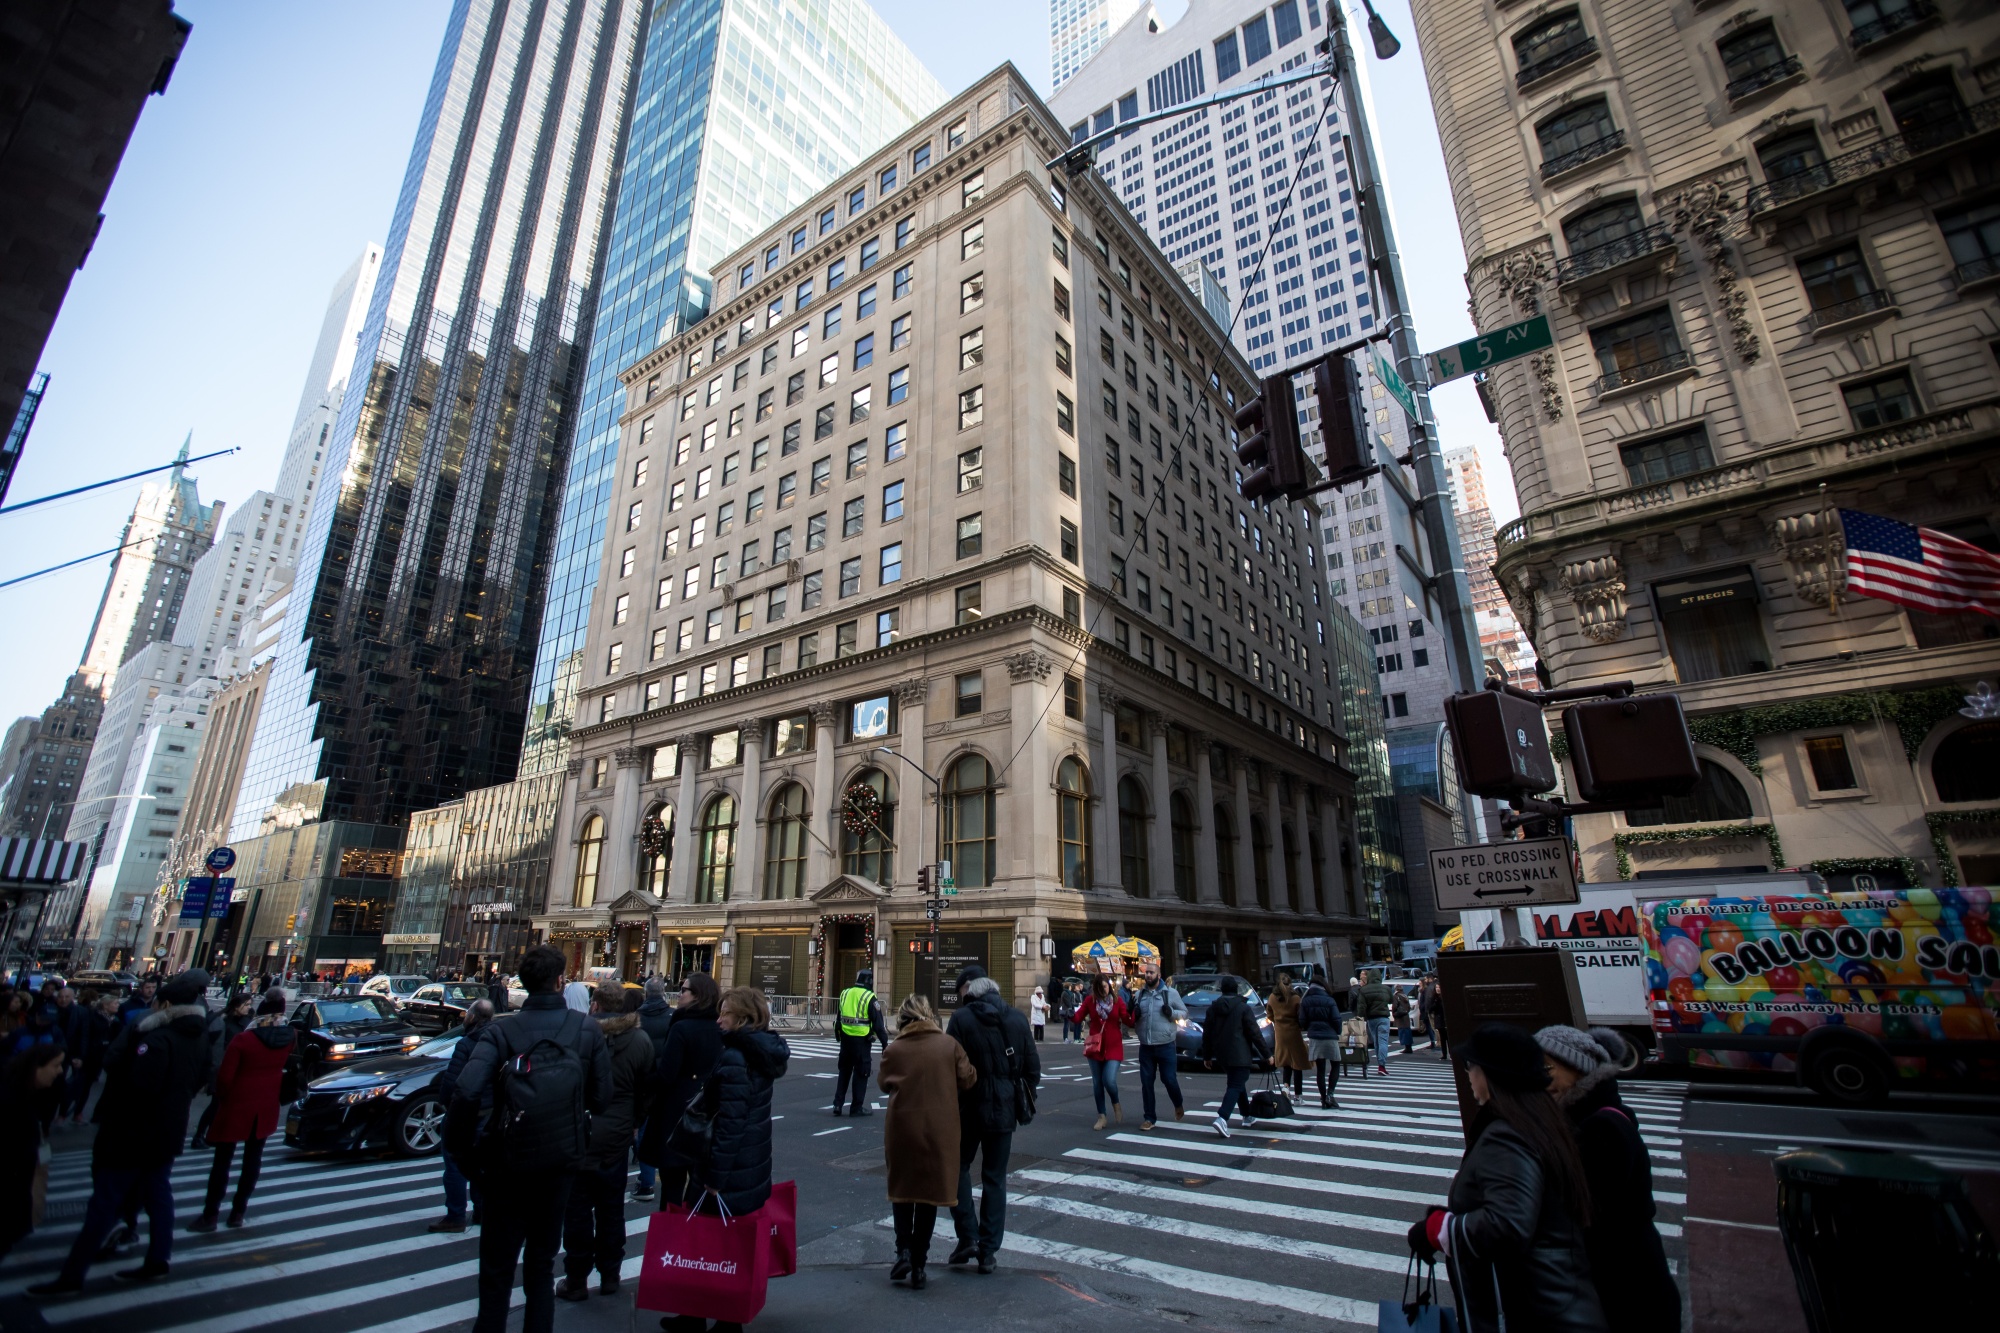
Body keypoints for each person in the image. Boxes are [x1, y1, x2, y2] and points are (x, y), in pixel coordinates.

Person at [451, 945, 611, 1333]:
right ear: (560, 981)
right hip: (559, 1162)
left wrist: (467, 1160)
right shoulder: (586, 1029)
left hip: (505, 1164)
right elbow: (602, 1099)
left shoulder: (500, 1030)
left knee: (496, 1268)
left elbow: (465, 1091)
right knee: (541, 1266)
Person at [1410, 1023, 1607, 1333]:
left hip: (1533, 1312)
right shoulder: (1539, 1122)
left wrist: (1439, 1229)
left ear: (1490, 1074)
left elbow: (1509, 1224)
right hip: (1556, 1304)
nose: (1467, 1074)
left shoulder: (1507, 1135)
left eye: (1470, 1066)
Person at [27, 969, 211, 1295]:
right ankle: (158, 1257)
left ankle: (71, 1276)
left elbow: (138, 1089)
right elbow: (202, 1078)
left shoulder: (156, 1039)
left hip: (133, 1132)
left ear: (165, 1003)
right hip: (169, 1129)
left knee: (105, 1203)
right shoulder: (198, 1038)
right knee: (158, 1195)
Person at [1536, 1026, 1679, 1333]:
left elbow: (1582, 1212)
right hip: (1622, 1275)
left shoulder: (1602, 1128)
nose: (1541, 1080)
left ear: (1578, 1068)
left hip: (1626, 1284)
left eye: (1548, 1068)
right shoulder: (1591, 1117)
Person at [664, 987, 788, 1333]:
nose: (718, 1019)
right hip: (752, 1160)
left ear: (743, 1018)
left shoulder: (737, 1057)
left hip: (729, 1166)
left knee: (706, 1241)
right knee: (731, 1243)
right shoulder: (761, 1052)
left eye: (725, 1014)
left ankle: (703, 1316)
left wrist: (715, 1177)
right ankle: (718, 1315)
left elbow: (730, 1123)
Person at [945, 966, 1039, 1274]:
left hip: (968, 1107)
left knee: (957, 1168)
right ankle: (988, 1251)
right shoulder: (1016, 1018)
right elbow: (1032, 1069)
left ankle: (968, 1234)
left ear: (970, 992)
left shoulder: (961, 1020)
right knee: (995, 1178)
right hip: (1004, 1109)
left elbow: (950, 1068)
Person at [877, 993, 974, 1290]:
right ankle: (919, 1263)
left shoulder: (895, 1048)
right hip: (939, 1129)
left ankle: (903, 1251)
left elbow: (884, 1083)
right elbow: (968, 1078)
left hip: (902, 1127)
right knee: (929, 1196)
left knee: (903, 1191)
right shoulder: (948, 1045)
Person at [559, 989, 650, 1303]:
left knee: (577, 1211)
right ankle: (610, 1274)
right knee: (612, 1210)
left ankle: (576, 1278)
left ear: (594, 1004)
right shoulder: (639, 1040)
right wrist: (636, 1121)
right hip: (618, 1133)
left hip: (580, 1131)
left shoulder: (576, 1036)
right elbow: (646, 1088)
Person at [191, 992, 296, 1231]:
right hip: (266, 1105)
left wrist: (221, 1095)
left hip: (237, 1103)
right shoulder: (289, 1037)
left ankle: (210, 1214)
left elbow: (225, 1078)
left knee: (222, 1161)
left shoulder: (243, 1040)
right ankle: (238, 1212)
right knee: (252, 1160)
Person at [637, 971, 721, 1211]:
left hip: (676, 1112)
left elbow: (666, 1074)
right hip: (707, 1112)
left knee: (672, 1184)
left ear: (697, 996)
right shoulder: (719, 1027)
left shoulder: (682, 1027)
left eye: (684, 990)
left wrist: (643, 1080)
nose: (679, 993)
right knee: (697, 1183)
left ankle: (672, 1239)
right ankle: (693, 1240)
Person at [429, 998, 494, 1233]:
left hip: (465, 1112)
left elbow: (452, 1080)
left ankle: (456, 1214)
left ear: (473, 1017)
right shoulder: (498, 1041)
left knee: (456, 1164)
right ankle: (481, 1210)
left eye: (468, 1013)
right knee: (481, 1164)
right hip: (488, 1110)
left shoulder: (466, 1044)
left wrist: (447, 1103)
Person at [0, 1045, 67, 1262]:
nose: (60, 1071)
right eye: (55, 1065)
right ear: (35, 1068)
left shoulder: (28, 1094)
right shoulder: (10, 1101)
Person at [1198, 976, 1266, 1138]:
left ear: (1222, 990)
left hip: (1222, 1054)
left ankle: (1247, 1115)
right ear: (1236, 989)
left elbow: (1207, 1035)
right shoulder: (1243, 1008)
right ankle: (1223, 1117)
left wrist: (1207, 1055)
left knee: (1237, 1082)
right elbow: (1255, 1033)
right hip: (1241, 1053)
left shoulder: (1212, 1009)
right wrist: (1267, 1054)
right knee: (1236, 1084)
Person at [631, 977, 675, 1202]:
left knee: (642, 1131)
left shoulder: (636, 1017)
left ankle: (646, 1181)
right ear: (664, 993)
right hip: (667, 1082)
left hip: (644, 1082)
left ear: (646, 993)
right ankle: (667, 1174)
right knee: (667, 1130)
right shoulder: (672, 1016)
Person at [192, 991, 255, 1148]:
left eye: (250, 1005)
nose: (249, 1008)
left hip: (236, 1066)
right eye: (246, 1005)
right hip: (222, 1066)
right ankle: (200, 1134)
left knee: (224, 1104)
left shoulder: (246, 1021)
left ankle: (212, 1134)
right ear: (236, 1006)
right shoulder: (224, 1022)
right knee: (217, 1103)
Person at [1130, 971, 1186, 1130]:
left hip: (1166, 1044)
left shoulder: (1170, 993)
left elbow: (1184, 1012)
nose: (1148, 975)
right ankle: (1149, 1117)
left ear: (1158, 975)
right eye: (1146, 972)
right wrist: (1134, 1013)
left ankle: (1178, 1102)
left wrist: (1172, 1012)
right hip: (1146, 1045)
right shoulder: (1140, 994)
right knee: (1146, 1083)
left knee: (1169, 1079)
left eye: (1151, 972)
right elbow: (1132, 1017)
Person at [1079, 974, 1131, 1131]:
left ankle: (1115, 1102)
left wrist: (1134, 1013)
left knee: (1109, 1080)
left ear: (1110, 987)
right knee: (1097, 1082)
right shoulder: (1090, 1001)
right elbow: (1078, 1016)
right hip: (1096, 1047)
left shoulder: (1117, 1001)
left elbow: (1127, 1019)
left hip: (1113, 1046)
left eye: (1106, 986)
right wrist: (1069, 1015)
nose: (1103, 990)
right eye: (1100, 987)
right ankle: (1101, 1115)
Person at [833, 969, 887, 1117]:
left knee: (844, 1071)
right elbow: (878, 1024)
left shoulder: (845, 993)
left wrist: (838, 1035)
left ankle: (838, 1104)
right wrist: (885, 1044)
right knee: (861, 1073)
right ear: (869, 981)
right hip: (861, 1041)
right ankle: (856, 1107)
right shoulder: (869, 997)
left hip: (845, 1039)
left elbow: (839, 1017)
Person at [1298, 976, 1344, 1109]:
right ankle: (1330, 1094)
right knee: (1335, 1064)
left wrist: (1310, 1027)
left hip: (1315, 1037)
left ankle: (1323, 1099)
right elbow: (1336, 1019)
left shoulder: (1305, 1000)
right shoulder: (1329, 999)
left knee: (1321, 1070)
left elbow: (1302, 1021)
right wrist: (1338, 1031)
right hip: (1330, 1036)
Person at [1267, 975, 1310, 1100]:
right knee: (1297, 1063)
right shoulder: (1295, 998)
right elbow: (1300, 1016)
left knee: (1286, 1061)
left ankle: (1286, 1086)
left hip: (1280, 1032)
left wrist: (1278, 1021)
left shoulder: (1272, 997)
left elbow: (1269, 1014)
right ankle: (1298, 1096)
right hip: (1294, 1032)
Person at [1356, 970, 1393, 1075]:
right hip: (1384, 1018)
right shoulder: (1386, 989)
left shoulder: (1364, 990)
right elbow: (1390, 1000)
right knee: (1383, 1041)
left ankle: (1379, 1063)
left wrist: (1361, 1018)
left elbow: (1361, 1007)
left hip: (1371, 1018)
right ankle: (1382, 1065)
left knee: (1376, 1042)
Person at [1422, 975, 1450, 1059]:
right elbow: (1431, 1008)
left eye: (1439, 987)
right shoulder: (1435, 998)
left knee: (1448, 1038)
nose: (1437, 989)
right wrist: (1435, 1002)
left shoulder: (1444, 998)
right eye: (1437, 987)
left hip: (1445, 1020)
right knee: (1442, 1038)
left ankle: (1450, 1054)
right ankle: (1444, 1054)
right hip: (1439, 1020)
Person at [1393, 986, 1415, 1055]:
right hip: (1405, 1015)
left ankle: (1406, 1047)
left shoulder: (1396, 996)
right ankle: (1409, 1047)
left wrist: (1394, 1013)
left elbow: (1395, 1006)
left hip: (1400, 1016)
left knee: (1402, 1031)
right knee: (1407, 1031)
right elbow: (1408, 1007)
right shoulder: (1405, 995)